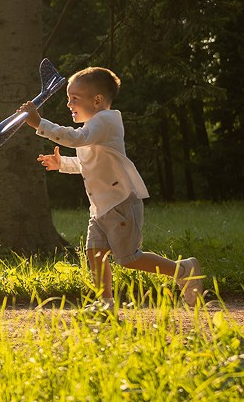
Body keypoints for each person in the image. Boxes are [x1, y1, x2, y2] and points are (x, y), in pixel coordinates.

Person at [19, 66, 204, 310]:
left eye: (74, 98)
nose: (68, 104)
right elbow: (88, 165)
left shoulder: (106, 121)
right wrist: (62, 163)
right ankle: (104, 303)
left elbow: (75, 138)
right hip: (100, 207)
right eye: (67, 99)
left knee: (128, 258)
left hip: (121, 203)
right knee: (95, 253)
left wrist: (40, 124)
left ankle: (184, 270)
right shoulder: (92, 130)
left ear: (97, 100)